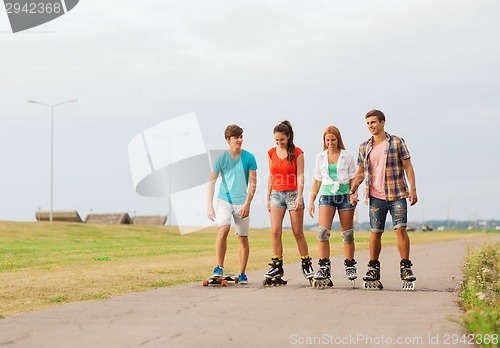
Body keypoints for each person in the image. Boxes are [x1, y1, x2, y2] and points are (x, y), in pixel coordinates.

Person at [349, 109, 418, 289]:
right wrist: (352, 190)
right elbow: (360, 173)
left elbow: (408, 167)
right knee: (375, 232)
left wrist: (413, 189)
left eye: (373, 122)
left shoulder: (397, 142)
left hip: (397, 194)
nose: (370, 126)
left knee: (400, 230)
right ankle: (373, 267)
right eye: (367, 123)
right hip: (375, 196)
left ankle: (406, 267)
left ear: (382, 122)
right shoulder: (364, 146)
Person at [264, 120, 313, 285]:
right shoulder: (271, 153)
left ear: (288, 137)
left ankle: (306, 264)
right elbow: (271, 175)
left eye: (282, 140)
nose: (279, 142)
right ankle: (277, 265)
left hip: (293, 194)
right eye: (277, 140)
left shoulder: (298, 152)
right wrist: (267, 196)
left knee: (297, 232)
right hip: (276, 194)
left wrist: (300, 196)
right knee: (275, 231)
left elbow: (300, 175)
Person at [207, 124, 257, 284]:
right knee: (224, 229)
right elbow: (212, 182)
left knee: (243, 238)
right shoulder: (221, 159)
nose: (240, 140)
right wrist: (209, 205)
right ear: (228, 139)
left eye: (241, 136)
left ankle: (242, 274)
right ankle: (219, 267)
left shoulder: (249, 158)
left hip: (242, 203)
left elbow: (253, 184)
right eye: (236, 137)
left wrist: (248, 204)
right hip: (224, 200)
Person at [308, 126, 358, 287]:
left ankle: (350, 265)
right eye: (327, 140)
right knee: (322, 232)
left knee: (347, 234)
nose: (330, 143)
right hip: (327, 197)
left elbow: (352, 177)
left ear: (338, 139)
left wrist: (353, 194)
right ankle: (324, 266)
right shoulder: (320, 157)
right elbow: (317, 179)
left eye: (333, 139)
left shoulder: (347, 156)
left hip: (345, 197)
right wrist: (311, 200)